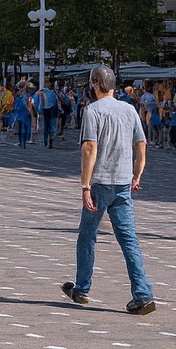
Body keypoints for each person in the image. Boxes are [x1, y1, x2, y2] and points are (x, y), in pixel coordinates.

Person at [61, 65, 154, 315]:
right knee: (128, 239)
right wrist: (137, 173)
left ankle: (82, 288)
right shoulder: (129, 109)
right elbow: (142, 143)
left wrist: (85, 185)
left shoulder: (92, 111)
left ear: (94, 84)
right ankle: (143, 294)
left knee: (87, 236)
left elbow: (90, 148)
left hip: (100, 182)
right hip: (123, 182)